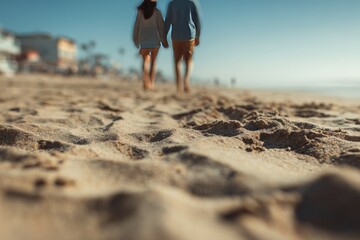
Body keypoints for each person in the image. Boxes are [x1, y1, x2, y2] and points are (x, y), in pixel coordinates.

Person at [165, 0, 201, 93]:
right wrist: (198, 35)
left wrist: (164, 36)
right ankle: (186, 81)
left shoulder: (172, 3)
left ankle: (178, 86)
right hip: (189, 36)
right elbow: (197, 20)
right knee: (188, 60)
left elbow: (167, 21)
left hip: (176, 36)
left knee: (177, 61)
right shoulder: (192, 2)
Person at [133, 0, 168, 90]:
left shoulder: (140, 12)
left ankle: (145, 82)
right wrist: (163, 40)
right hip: (155, 41)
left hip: (143, 41)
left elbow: (136, 26)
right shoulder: (157, 12)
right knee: (153, 62)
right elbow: (161, 27)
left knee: (145, 61)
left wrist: (135, 40)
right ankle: (151, 83)